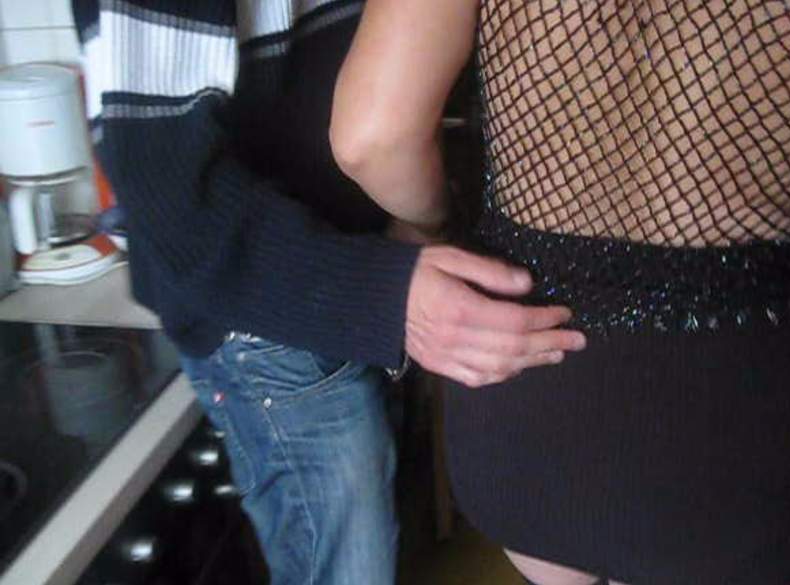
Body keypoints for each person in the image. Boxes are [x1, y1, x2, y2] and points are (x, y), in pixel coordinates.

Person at [331, 0, 790, 583]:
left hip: (527, 368)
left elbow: (372, 140)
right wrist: (752, 290)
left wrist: (451, 235)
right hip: (737, 398)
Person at [72, 1, 586, 584]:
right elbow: (164, 182)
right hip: (273, 311)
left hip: (356, 266)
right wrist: (384, 295)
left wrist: (401, 233)